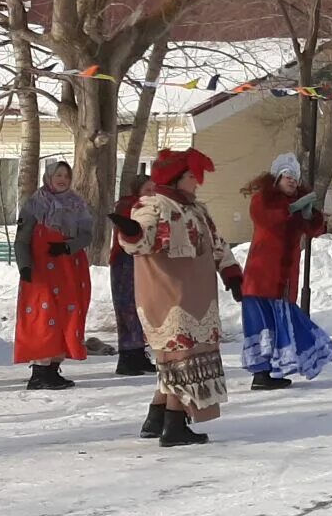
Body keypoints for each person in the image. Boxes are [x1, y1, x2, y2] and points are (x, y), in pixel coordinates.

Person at [113, 148, 243, 446]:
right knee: (179, 358)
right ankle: (174, 424)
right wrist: (130, 233)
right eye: (191, 176)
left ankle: (157, 417)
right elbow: (141, 239)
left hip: (197, 296)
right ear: (176, 178)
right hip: (168, 295)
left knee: (178, 359)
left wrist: (232, 273)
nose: (197, 182)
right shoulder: (153, 205)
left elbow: (217, 243)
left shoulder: (196, 209)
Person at [239, 153, 332, 391]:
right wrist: (293, 210)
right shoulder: (263, 200)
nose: (292, 180)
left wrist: (309, 214)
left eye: (294, 177)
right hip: (261, 278)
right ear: (276, 179)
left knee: (281, 324)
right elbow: (270, 220)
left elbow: (315, 228)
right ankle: (261, 374)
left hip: (283, 281)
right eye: (287, 176)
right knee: (263, 326)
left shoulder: (298, 205)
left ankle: (270, 372)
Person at [13, 159, 94, 391]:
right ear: (48, 177)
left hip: (69, 268)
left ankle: (52, 369)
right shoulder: (35, 205)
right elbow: (22, 239)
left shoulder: (77, 205)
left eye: (66, 176)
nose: (62, 180)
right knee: (43, 314)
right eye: (58, 175)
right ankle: (39, 371)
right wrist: (25, 267)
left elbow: (86, 234)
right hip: (41, 271)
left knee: (68, 316)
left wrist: (68, 247)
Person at [109, 172, 155, 376]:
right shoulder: (127, 206)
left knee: (143, 308)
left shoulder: (155, 207)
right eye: (147, 190)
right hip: (126, 261)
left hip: (144, 261)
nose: (151, 194)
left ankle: (138, 353)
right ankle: (127, 356)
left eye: (154, 190)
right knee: (127, 307)